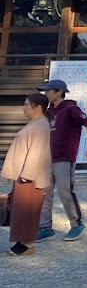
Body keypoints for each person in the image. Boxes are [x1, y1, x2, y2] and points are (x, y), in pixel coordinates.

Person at [37, 78, 87, 241]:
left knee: (65, 192)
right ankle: (45, 227)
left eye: (48, 91)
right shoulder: (48, 111)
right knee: (44, 193)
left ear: (58, 92)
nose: (46, 94)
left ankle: (77, 224)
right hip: (48, 157)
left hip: (64, 157)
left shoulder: (71, 108)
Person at [3, 93, 54, 255]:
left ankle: (27, 244)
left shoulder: (39, 126)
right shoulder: (37, 123)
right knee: (20, 209)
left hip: (30, 176)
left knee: (27, 209)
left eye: (27, 105)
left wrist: (28, 174)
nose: (24, 108)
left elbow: (37, 152)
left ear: (38, 107)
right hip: (25, 174)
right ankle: (22, 240)